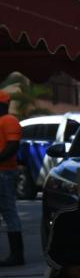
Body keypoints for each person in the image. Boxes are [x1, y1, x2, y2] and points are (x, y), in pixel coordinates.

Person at [0, 90, 24, 267]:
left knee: (9, 211)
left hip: (5, 172)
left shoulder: (8, 120)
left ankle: (17, 255)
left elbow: (12, 147)